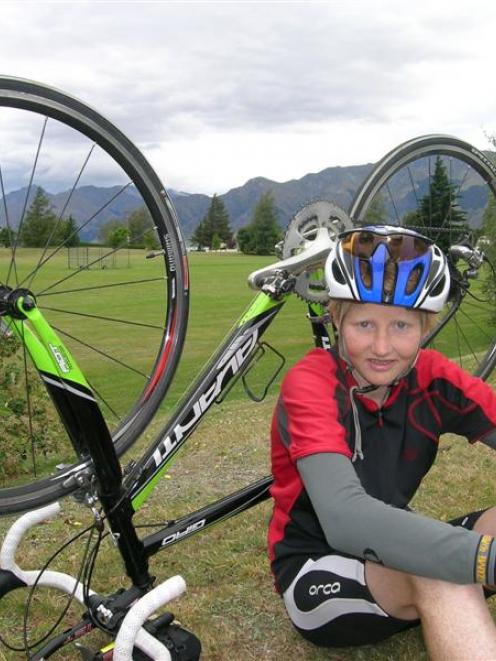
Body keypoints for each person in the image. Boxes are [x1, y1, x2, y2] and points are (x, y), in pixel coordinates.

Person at [268, 225, 496, 659]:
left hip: (391, 548)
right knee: (440, 571)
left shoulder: (433, 376)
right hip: (315, 567)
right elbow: (345, 518)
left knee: (443, 560)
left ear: (425, 326)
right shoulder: (310, 383)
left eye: (402, 325)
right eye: (364, 323)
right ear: (336, 319)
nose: (382, 346)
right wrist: (484, 559)